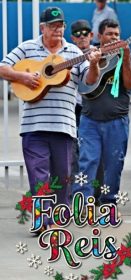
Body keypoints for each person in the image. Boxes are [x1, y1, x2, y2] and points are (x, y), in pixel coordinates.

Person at [0, 7, 101, 228]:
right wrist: (23, 77)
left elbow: (89, 82)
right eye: (53, 25)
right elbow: (2, 68)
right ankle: (42, 221)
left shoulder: (74, 52)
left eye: (61, 25)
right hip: (33, 127)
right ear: (42, 27)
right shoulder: (27, 48)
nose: (58, 29)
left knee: (62, 179)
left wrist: (93, 63)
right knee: (39, 178)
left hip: (64, 127)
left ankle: (57, 219)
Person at [72, 18, 131, 205]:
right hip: (90, 120)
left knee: (114, 164)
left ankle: (109, 201)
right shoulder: (90, 55)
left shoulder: (127, 57)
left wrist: (125, 59)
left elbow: (130, 85)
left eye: (116, 34)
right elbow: (88, 82)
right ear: (100, 36)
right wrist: (93, 63)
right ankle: (83, 202)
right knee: (87, 162)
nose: (113, 37)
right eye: (109, 34)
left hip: (117, 120)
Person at [70, 19, 104, 202]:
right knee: (74, 152)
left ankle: (96, 193)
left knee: (95, 153)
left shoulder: (99, 53)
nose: (82, 37)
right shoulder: (67, 54)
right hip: (74, 108)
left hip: (93, 109)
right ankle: (76, 192)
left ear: (92, 35)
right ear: (72, 38)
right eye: (78, 34)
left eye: (86, 33)